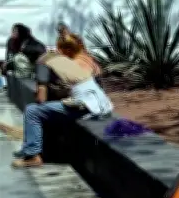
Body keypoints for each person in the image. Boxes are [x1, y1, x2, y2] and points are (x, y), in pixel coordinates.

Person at [11, 37, 113, 169]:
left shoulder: (42, 63)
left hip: (85, 105)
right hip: (101, 102)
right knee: (47, 111)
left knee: (32, 111)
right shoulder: (58, 57)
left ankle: (32, 155)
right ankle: (29, 148)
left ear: (31, 57)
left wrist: (38, 93)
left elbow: (41, 98)